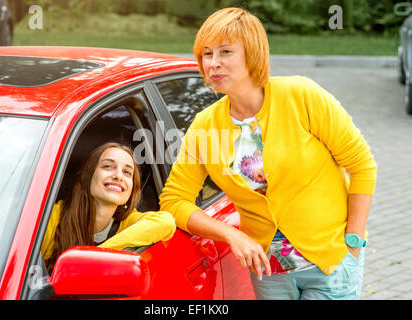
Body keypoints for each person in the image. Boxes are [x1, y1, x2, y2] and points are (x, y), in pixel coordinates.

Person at [159, 7, 377, 300]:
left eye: (225, 52)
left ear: (253, 54)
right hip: (269, 273)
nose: (213, 63)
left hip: (331, 263)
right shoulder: (205, 125)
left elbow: (362, 165)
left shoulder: (302, 96)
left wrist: (353, 242)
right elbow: (174, 200)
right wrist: (231, 234)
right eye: (206, 54)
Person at [41, 142, 176, 274]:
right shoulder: (52, 218)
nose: (118, 176)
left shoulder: (128, 222)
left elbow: (166, 222)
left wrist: (90, 258)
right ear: (88, 176)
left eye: (127, 172)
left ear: (131, 190)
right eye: (108, 166)